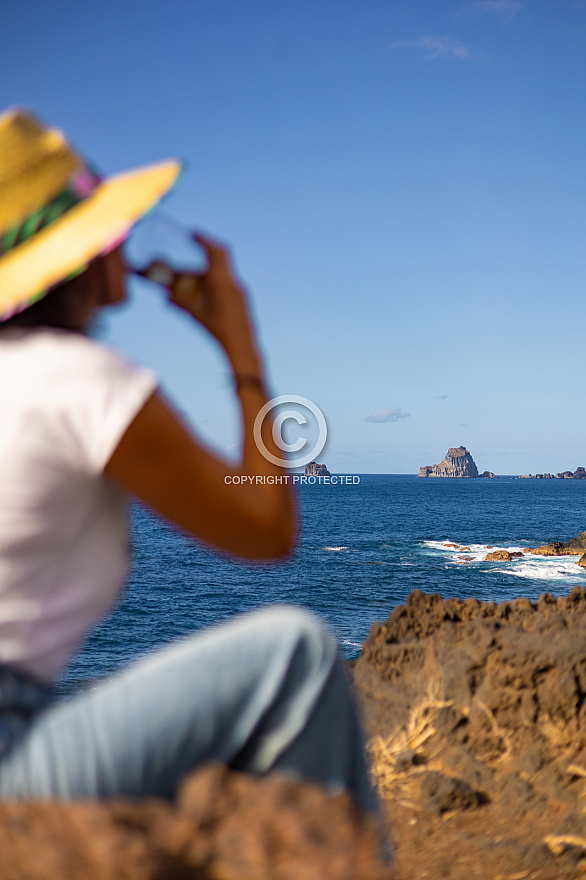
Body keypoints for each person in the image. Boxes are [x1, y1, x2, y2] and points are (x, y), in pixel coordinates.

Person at [0, 109, 380, 820]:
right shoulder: (80, 380)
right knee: (293, 652)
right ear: (79, 253)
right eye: (111, 228)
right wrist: (241, 348)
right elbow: (267, 529)